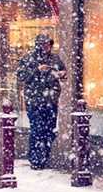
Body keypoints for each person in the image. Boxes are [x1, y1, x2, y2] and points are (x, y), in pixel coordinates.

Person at [16, 34, 67, 170]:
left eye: (49, 44)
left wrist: (62, 73)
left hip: (51, 100)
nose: (47, 47)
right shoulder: (29, 58)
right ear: (38, 45)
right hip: (35, 100)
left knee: (50, 130)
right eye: (44, 44)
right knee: (37, 130)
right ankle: (35, 159)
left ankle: (44, 157)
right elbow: (21, 76)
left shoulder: (55, 58)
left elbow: (63, 71)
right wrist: (36, 71)